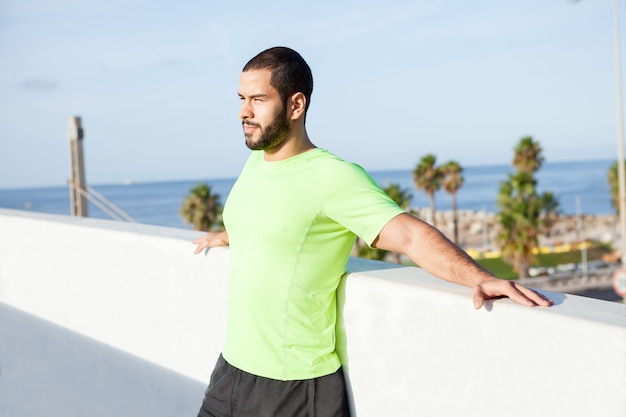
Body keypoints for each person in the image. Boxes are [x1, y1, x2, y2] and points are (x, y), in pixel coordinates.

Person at [192, 46, 553, 417]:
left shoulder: (332, 176)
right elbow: (274, 221)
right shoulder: (255, 163)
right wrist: (229, 234)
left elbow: (409, 235)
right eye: (241, 99)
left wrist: (479, 276)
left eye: (257, 100)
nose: (243, 112)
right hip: (231, 370)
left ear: (295, 105)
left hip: (293, 387)